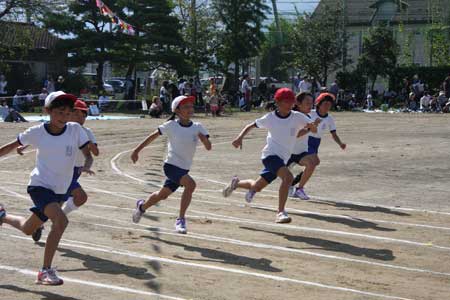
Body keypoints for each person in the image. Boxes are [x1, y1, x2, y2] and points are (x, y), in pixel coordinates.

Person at [0, 91, 92, 285]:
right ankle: (45, 271)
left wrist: (87, 164)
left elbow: (88, 153)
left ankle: (2, 217)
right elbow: (12, 146)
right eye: (60, 112)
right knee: (61, 221)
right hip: (40, 186)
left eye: (68, 113)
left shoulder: (76, 130)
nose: (64, 117)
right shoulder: (37, 132)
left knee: (27, 228)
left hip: (60, 189)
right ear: (48, 111)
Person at [222, 88, 317, 223]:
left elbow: (311, 127)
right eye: (286, 101)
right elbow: (251, 125)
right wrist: (239, 138)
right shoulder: (270, 118)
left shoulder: (297, 116)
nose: (289, 104)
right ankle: (280, 212)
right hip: (270, 156)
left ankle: (236, 184)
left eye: (291, 101)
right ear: (277, 102)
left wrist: (312, 127)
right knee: (288, 177)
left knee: (257, 186)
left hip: (282, 159)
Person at [131, 95, 211, 234]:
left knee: (162, 195)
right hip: (171, 166)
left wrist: (204, 140)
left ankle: (142, 207)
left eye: (191, 106)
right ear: (177, 110)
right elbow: (152, 136)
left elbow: (209, 147)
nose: (190, 109)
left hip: (184, 169)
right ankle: (180, 219)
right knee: (191, 184)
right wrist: (136, 150)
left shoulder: (198, 127)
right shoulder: (171, 125)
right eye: (185, 106)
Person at [299, 93, 346, 199]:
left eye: (329, 104)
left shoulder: (329, 119)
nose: (327, 106)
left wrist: (340, 144)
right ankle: (299, 188)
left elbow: (333, 134)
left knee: (314, 163)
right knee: (312, 163)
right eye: (325, 103)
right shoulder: (310, 114)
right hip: (305, 140)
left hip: (316, 143)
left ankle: (294, 183)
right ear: (319, 104)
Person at [287, 92, 321, 199]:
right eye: (307, 103)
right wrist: (311, 127)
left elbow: (313, 131)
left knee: (312, 163)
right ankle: (240, 184)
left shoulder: (308, 116)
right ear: (298, 103)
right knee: (266, 178)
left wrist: (314, 126)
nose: (310, 105)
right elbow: (296, 135)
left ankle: (299, 189)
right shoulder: (292, 117)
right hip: (286, 152)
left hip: (300, 152)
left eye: (312, 103)